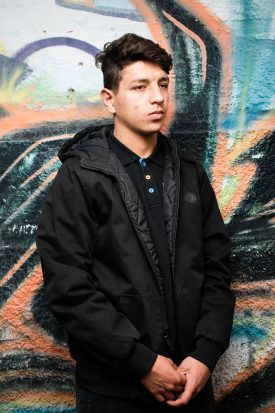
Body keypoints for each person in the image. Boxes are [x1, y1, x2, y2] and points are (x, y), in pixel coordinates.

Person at [36, 33, 235, 412]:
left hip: (191, 383)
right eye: (140, 87)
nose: (157, 97)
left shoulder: (191, 174)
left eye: (162, 85)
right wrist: (140, 362)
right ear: (110, 100)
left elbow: (217, 270)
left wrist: (205, 356)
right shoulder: (81, 177)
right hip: (113, 392)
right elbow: (68, 286)